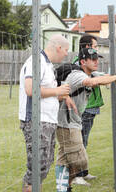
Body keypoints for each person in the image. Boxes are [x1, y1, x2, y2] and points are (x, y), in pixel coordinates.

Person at [55, 47, 116, 192]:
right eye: (93, 59)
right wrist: (115, 78)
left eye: (97, 59)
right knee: (81, 161)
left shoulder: (91, 73)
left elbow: (106, 77)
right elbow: (92, 82)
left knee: (65, 157)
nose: (96, 62)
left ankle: (64, 188)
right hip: (66, 122)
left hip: (73, 121)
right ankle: (65, 186)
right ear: (83, 61)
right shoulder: (77, 75)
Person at [19, 35, 72, 192]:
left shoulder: (47, 64)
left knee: (43, 166)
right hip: (36, 121)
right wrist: (57, 90)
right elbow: (30, 89)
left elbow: (45, 91)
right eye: (66, 50)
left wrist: (61, 96)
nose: (66, 54)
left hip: (47, 121)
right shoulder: (37, 62)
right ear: (59, 48)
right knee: (36, 168)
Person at [71, 35, 101, 185]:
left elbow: (97, 76)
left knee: (84, 141)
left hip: (91, 107)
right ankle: (76, 175)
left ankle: (83, 171)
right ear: (88, 47)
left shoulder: (88, 64)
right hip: (84, 107)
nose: (97, 49)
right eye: (95, 46)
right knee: (79, 141)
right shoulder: (79, 65)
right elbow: (91, 81)